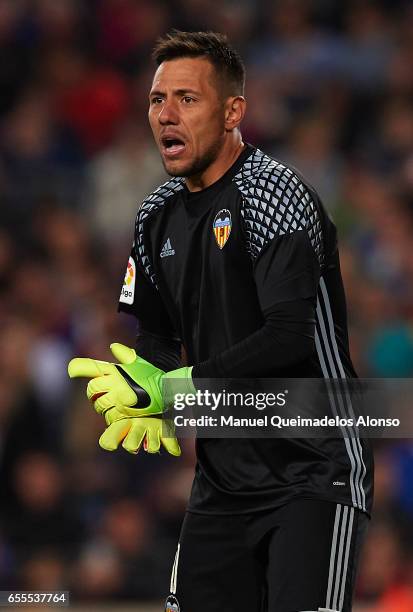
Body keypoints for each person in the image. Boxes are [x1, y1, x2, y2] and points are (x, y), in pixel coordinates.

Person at [68, 30, 373, 612]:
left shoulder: (274, 194)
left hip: (312, 472)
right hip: (222, 485)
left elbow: (289, 335)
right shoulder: (155, 216)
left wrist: (188, 386)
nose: (167, 115)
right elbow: (157, 341)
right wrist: (145, 386)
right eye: (158, 100)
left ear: (234, 111)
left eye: (188, 98)